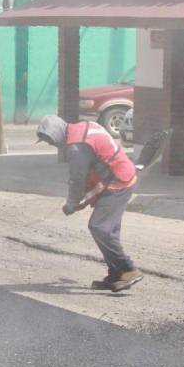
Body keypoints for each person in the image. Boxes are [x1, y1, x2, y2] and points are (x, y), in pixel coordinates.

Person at [36, 115, 143, 292]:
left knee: (99, 227)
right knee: (108, 230)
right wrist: (81, 200)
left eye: (50, 140)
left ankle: (128, 269)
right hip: (118, 177)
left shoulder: (77, 146)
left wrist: (72, 202)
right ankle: (116, 274)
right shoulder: (83, 126)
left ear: (57, 133)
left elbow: (77, 179)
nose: (51, 144)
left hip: (118, 181)